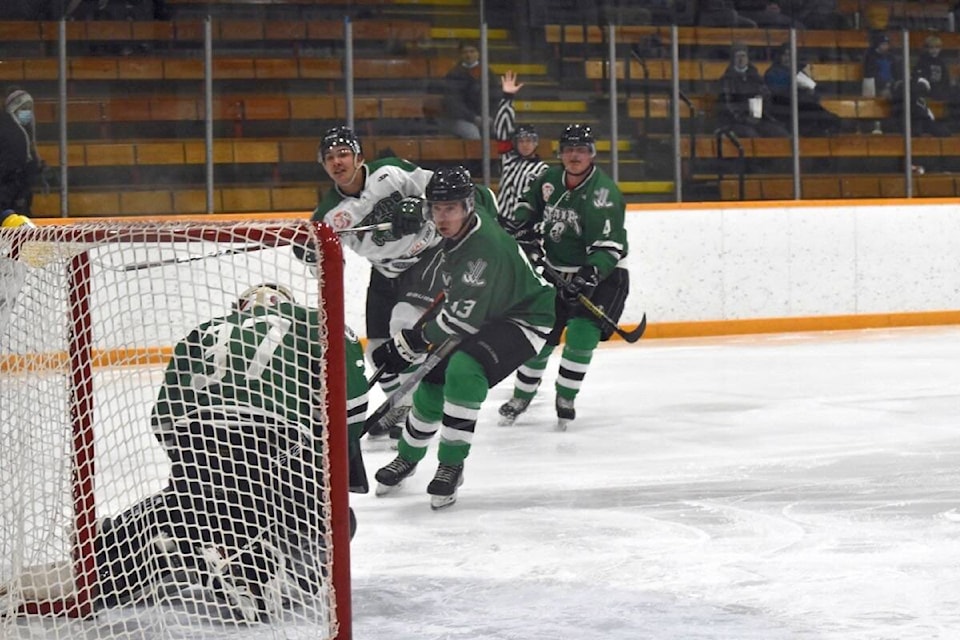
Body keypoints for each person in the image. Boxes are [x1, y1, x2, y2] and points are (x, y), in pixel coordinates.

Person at [0, 284, 369, 621]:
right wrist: (329, 460)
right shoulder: (318, 322)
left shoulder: (204, 330)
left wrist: (200, 474)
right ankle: (260, 567)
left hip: (198, 441)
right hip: (279, 446)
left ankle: (120, 548)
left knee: (190, 505)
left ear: (239, 308)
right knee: (336, 519)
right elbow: (350, 407)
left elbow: (164, 417)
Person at [371, 167, 555, 509]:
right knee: (432, 375)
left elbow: (459, 321)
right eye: (436, 209)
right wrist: (413, 204)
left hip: (526, 317)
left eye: (450, 209)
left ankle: (451, 465)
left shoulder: (481, 252)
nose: (442, 218)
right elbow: (484, 192)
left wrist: (408, 344)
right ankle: (409, 456)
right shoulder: (474, 210)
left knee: (463, 371)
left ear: (467, 208)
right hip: (490, 307)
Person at [309, 125, 440, 438]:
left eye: (343, 153)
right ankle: (401, 405)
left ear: (359, 156)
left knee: (402, 329)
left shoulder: (390, 172)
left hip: (427, 259)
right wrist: (310, 253)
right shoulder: (328, 214)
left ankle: (414, 409)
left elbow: (438, 186)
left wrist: (421, 206)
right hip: (384, 272)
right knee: (377, 350)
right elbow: (329, 267)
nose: (337, 161)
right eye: (330, 157)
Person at [498, 124, 630, 431]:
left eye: (581, 150)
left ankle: (566, 397)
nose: (574, 156)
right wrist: (521, 229)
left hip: (603, 273)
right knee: (540, 336)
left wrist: (589, 276)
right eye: (569, 150)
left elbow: (609, 248)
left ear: (592, 154)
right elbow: (528, 206)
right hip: (557, 271)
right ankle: (521, 397)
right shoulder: (548, 180)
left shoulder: (604, 194)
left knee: (582, 335)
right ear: (560, 153)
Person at [493, 70, 550, 229]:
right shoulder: (508, 158)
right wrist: (507, 98)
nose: (525, 144)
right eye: (522, 140)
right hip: (502, 222)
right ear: (515, 143)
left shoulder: (543, 170)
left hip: (528, 226)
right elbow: (502, 129)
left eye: (529, 140)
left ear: (536, 143)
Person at [764, 44, 846, 137]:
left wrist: (810, 90)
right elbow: (778, 96)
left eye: (790, 55)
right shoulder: (773, 73)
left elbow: (816, 95)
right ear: (779, 56)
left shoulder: (800, 71)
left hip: (805, 106)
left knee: (833, 119)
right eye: (785, 55)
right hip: (788, 111)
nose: (788, 58)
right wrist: (796, 88)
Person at [716, 43, 789, 138]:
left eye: (743, 56)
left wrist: (761, 110)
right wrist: (745, 119)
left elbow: (767, 97)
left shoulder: (755, 77)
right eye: (738, 56)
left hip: (758, 119)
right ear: (733, 59)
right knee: (752, 135)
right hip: (736, 122)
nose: (741, 59)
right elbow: (728, 105)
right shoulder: (727, 80)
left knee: (781, 133)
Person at [0, 88, 47, 215]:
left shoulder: (23, 131)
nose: (27, 112)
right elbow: (14, 165)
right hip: (9, 194)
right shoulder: (11, 132)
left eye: (29, 108)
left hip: (16, 192)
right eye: (23, 107)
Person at [439, 40, 493, 140]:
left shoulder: (487, 72)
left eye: (472, 51)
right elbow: (453, 102)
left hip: (485, 118)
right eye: (465, 52)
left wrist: (491, 116)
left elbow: (495, 96)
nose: (469, 55)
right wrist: (473, 118)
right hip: (459, 119)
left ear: (479, 53)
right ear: (460, 55)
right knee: (473, 135)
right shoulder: (454, 74)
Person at [913, 35, 959, 131]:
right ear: (927, 48)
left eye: (937, 48)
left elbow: (945, 80)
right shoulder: (922, 61)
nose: (935, 50)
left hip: (940, 91)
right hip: (928, 91)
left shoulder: (941, 62)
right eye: (932, 48)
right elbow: (920, 79)